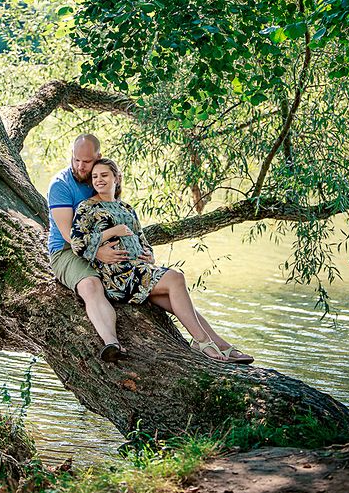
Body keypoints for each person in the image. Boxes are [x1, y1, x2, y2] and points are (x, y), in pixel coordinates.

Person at [70, 157, 254, 365]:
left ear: (117, 178)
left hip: (139, 271)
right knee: (176, 278)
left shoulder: (127, 208)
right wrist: (110, 232)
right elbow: (77, 244)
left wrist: (149, 254)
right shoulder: (88, 208)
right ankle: (202, 341)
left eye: (104, 175)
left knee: (182, 305)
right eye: (95, 177)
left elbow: (141, 239)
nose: (99, 180)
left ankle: (219, 343)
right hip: (118, 278)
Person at [48, 134, 130, 361]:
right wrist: (98, 252)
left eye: (86, 161)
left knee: (156, 281)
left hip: (102, 244)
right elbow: (68, 236)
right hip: (66, 251)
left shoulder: (101, 177)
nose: (80, 166)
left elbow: (117, 216)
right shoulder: (61, 185)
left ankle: (209, 343)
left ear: (98, 157)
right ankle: (112, 343)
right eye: (76, 160)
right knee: (91, 286)